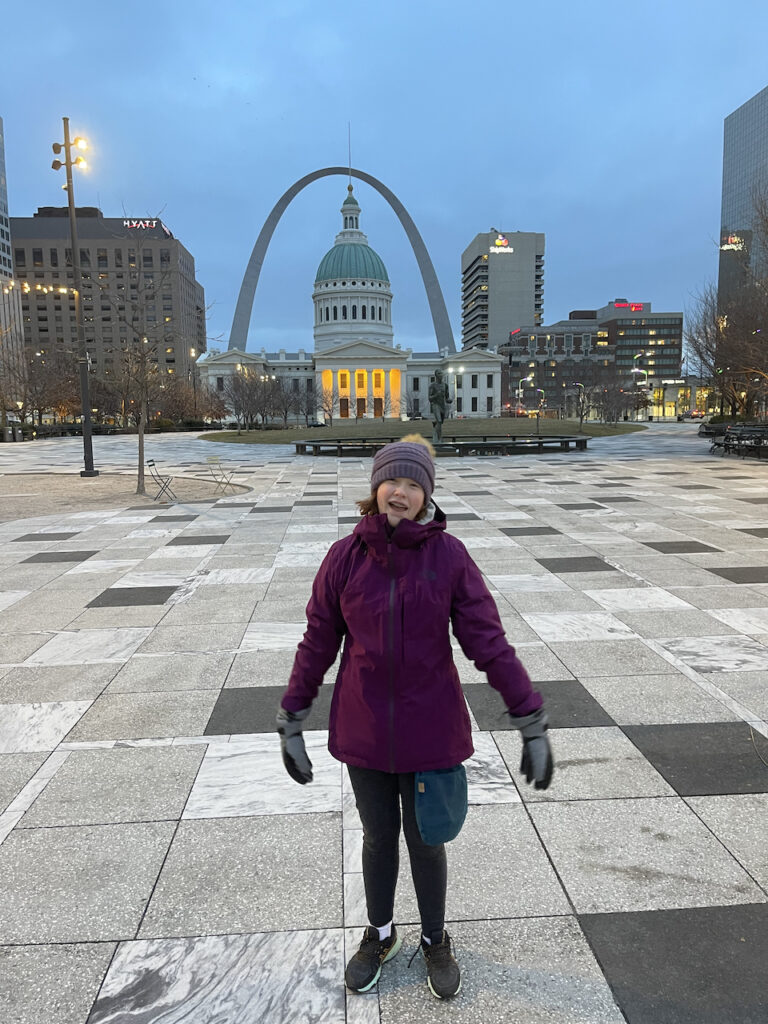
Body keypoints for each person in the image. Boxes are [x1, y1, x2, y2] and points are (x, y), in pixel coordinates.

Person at [277, 435, 553, 1000]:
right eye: (391, 481)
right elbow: (318, 641)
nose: (399, 493)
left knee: (427, 840)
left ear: (425, 494)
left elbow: (488, 642)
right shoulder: (344, 557)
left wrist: (531, 719)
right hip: (366, 728)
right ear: (375, 488)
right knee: (379, 837)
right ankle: (379, 933)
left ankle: (434, 938)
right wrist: (292, 716)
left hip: (431, 729)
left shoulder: (448, 557)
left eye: (412, 484)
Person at [428, 369, 451, 443]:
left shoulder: (445, 385)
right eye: (439, 373)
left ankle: (435, 424)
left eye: (441, 373)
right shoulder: (432, 385)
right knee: (439, 421)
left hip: (442, 406)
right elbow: (430, 398)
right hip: (435, 405)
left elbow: (447, 397)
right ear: (436, 375)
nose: (441, 375)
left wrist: (449, 400)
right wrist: (436, 395)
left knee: (440, 422)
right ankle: (439, 439)